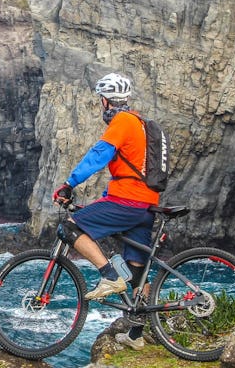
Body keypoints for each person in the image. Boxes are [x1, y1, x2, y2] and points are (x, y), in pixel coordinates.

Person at [51, 72, 159, 349]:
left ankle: (109, 277)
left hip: (128, 201)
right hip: (145, 204)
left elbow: (99, 156)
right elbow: (129, 170)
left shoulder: (122, 121)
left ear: (105, 101)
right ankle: (136, 335)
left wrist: (68, 184)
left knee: (69, 227)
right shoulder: (141, 123)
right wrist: (104, 198)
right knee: (137, 271)